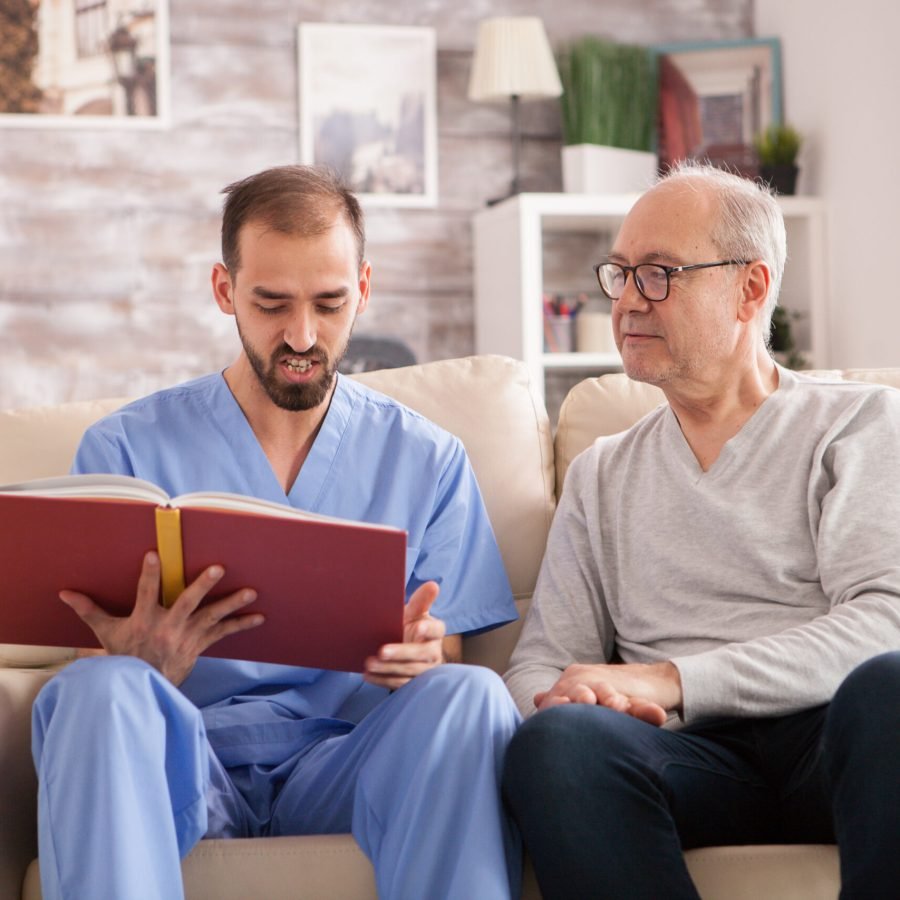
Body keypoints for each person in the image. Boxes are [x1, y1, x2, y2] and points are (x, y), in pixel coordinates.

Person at [31, 165, 522, 900]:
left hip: (347, 762)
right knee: (98, 691)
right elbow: (87, 655)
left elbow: (446, 643)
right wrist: (140, 665)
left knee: (474, 695)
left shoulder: (428, 458)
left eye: (328, 304)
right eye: (271, 304)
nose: (302, 335)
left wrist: (421, 653)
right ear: (225, 291)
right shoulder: (124, 450)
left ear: (363, 287)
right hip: (181, 755)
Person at [502, 161, 900, 899]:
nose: (626, 301)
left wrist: (675, 679)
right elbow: (539, 665)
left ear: (749, 289)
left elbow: (885, 622)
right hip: (683, 759)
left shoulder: (857, 423)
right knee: (556, 744)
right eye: (618, 274)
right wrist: (580, 700)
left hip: (833, 738)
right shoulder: (601, 474)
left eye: (657, 274)